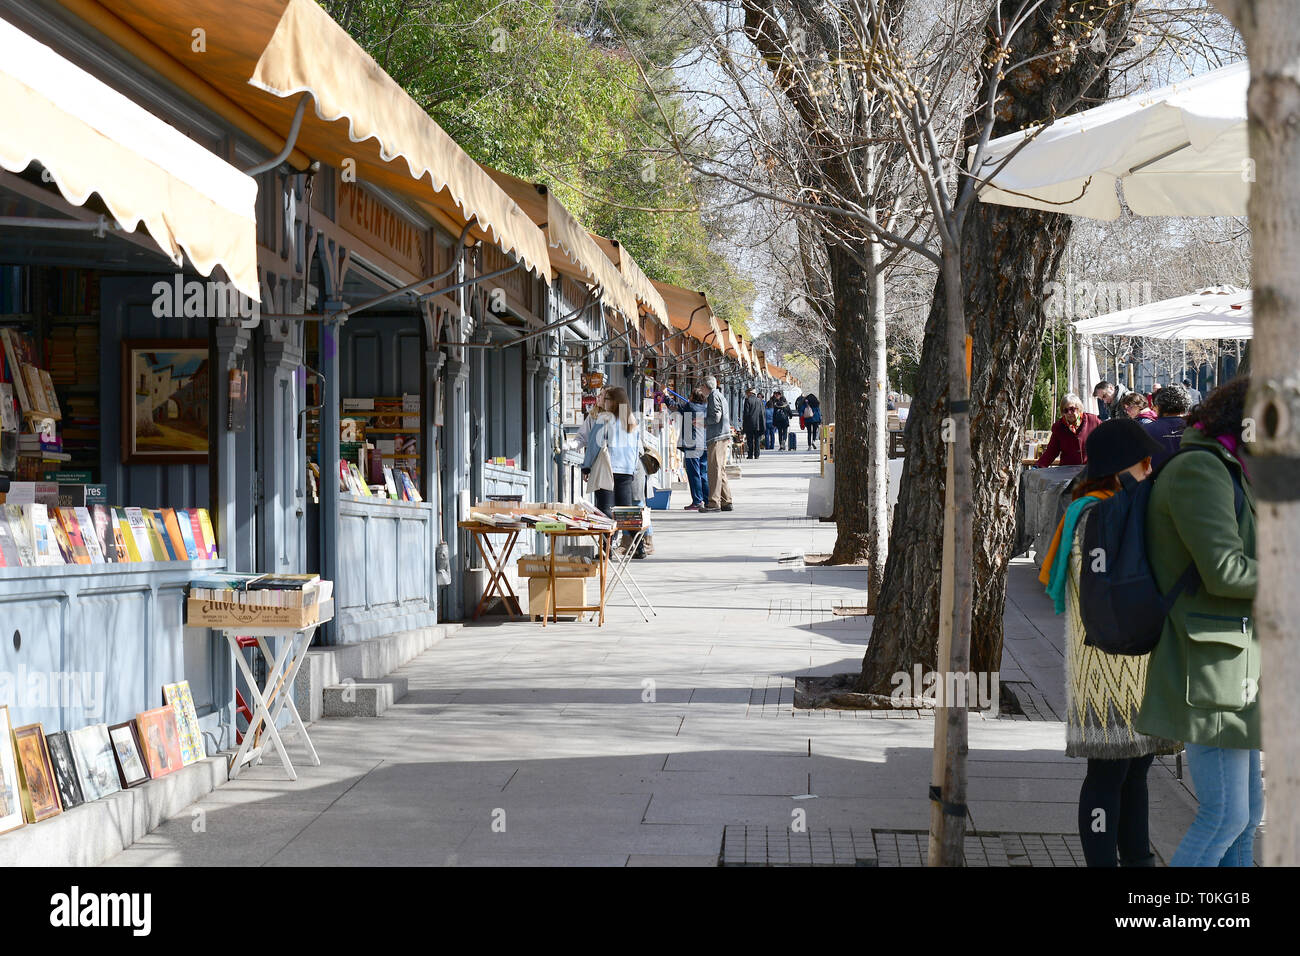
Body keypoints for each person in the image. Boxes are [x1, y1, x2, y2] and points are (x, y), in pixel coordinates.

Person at [1039, 418, 1179, 866]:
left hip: (1139, 662)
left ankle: (1137, 858)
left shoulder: (1110, 508)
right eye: (1143, 462)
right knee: (1107, 772)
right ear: (1121, 466)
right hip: (1104, 667)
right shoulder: (1094, 513)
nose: (1150, 469)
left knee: (1137, 769)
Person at [1137, 377, 1261, 866]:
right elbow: (1224, 569)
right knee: (1225, 815)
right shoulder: (1201, 470)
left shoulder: (1232, 467)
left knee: (1247, 817)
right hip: (1210, 665)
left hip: (1235, 660)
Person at [581, 386, 641, 532]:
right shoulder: (631, 420)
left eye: (606, 399)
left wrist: (586, 466)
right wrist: (632, 469)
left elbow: (594, 445)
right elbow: (637, 448)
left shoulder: (604, 418)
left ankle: (608, 548)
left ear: (613, 402)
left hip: (608, 469)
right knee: (625, 512)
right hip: (626, 471)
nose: (604, 402)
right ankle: (638, 546)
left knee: (605, 511)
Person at [1035, 394, 1100, 467]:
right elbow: (1051, 452)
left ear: (1079, 408)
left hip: (1090, 470)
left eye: (1072, 409)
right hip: (1067, 471)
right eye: (1065, 410)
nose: (1069, 413)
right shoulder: (1058, 427)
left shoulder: (1093, 421)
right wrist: (1038, 466)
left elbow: (1105, 441)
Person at [673, 386, 709, 511]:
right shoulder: (706, 408)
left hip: (692, 445)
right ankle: (707, 499)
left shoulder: (689, 407)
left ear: (692, 397)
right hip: (704, 444)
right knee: (703, 473)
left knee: (694, 473)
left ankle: (697, 501)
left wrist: (665, 395)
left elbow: (674, 405)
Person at [702, 375, 733, 512]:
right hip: (723, 436)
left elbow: (716, 416)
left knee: (714, 469)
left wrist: (703, 422)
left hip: (717, 437)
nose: (700, 389)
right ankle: (726, 500)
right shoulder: (720, 395)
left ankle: (714, 502)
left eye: (701, 386)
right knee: (720, 469)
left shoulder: (713, 396)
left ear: (705, 386)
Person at [1145, 384, 1191, 470]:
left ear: (1159, 406)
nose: (1153, 408)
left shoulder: (1146, 430)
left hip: (1158, 480)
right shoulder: (1197, 429)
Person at [742, 387, 765, 460]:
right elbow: (762, 413)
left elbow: (746, 413)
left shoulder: (747, 400)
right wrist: (762, 423)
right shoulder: (759, 401)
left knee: (750, 440)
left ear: (749, 393)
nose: (746, 395)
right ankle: (757, 454)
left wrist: (744, 424)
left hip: (749, 424)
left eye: (747, 393)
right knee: (757, 439)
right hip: (758, 423)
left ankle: (750, 455)